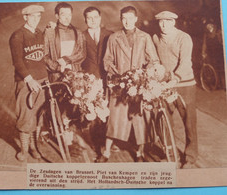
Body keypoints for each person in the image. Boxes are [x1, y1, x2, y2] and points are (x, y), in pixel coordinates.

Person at [96, 6, 159, 163]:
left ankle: (140, 153)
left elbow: (154, 60)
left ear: (136, 19)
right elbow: (107, 61)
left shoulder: (145, 37)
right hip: (120, 85)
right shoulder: (114, 38)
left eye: (130, 18)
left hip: (140, 85)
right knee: (115, 120)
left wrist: (143, 75)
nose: (127, 22)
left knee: (141, 120)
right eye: (124, 18)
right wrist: (118, 75)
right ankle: (107, 152)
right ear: (121, 19)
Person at [153, 11, 198, 168]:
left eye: (167, 21)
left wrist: (175, 78)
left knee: (189, 123)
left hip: (184, 85)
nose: (164, 24)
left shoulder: (183, 38)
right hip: (165, 86)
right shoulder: (156, 38)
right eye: (161, 22)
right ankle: (171, 156)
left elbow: (185, 62)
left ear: (174, 22)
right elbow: (155, 60)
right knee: (164, 121)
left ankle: (191, 158)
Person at [9, 5, 47, 162]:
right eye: (33, 16)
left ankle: (33, 147)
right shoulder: (17, 36)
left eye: (38, 16)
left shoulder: (39, 33)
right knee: (26, 117)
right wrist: (29, 79)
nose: (36, 20)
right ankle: (24, 151)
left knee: (38, 117)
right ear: (25, 17)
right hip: (26, 82)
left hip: (42, 80)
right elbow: (17, 62)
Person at [82, 6, 115, 157]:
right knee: (94, 114)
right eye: (89, 18)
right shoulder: (80, 36)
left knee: (110, 113)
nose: (93, 21)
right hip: (90, 80)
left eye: (95, 17)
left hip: (108, 79)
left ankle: (108, 142)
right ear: (85, 20)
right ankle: (98, 147)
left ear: (100, 18)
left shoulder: (110, 35)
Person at [44, 2, 86, 81]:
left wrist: (66, 60)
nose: (67, 18)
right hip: (56, 76)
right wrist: (58, 67)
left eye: (69, 15)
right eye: (63, 15)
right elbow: (45, 56)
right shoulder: (49, 32)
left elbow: (82, 53)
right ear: (57, 16)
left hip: (76, 74)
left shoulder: (78, 32)